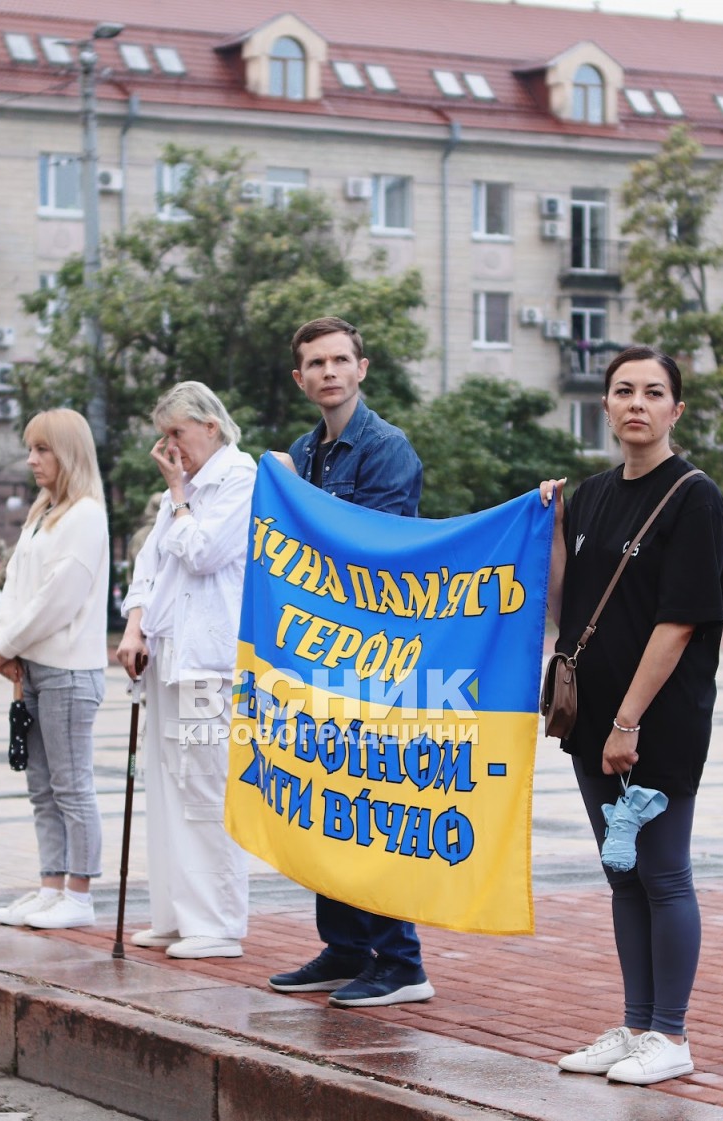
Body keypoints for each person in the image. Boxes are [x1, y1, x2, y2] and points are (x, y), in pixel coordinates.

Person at [537, 345, 723, 1085]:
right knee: (621, 872)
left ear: (676, 409)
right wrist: (551, 528)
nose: (637, 403)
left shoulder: (693, 497)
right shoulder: (590, 495)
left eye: (654, 392)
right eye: (624, 390)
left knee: (663, 872)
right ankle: (636, 1023)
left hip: (656, 719)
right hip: (592, 717)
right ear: (606, 404)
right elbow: (568, 603)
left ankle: (671, 1034)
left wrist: (629, 723)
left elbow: (679, 622)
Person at [267, 316, 433, 1008]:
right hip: (320, 653)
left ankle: (401, 961)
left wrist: (292, 502)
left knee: (374, 804)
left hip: (375, 652)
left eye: (341, 359)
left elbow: (372, 545)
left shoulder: (387, 447)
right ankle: (344, 944)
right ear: (300, 378)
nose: (329, 371)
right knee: (325, 800)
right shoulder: (306, 452)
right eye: (316, 362)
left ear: (362, 368)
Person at [114, 382, 257, 959]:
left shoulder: (239, 480)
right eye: (164, 435)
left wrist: (177, 495)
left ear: (210, 427)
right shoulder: (190, 489)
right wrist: (134, 625)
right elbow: (147, 567)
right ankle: (175, 912)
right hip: (168, 658)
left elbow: (205, 553)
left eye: (177, 433)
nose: (169, 447)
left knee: (204, 789)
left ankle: (217, 923)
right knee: (167, 785)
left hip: (210, 663)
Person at [0, 409, 109, 930]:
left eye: (43, 449)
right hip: (34, 666)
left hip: (68, 670)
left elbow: (57, 599)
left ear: (69, 452)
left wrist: (5, 642)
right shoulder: (44, 512)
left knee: (72, 784)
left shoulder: (84, 514)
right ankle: (50, 886)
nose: (32, 459)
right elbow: (16, 585)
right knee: (42, 785)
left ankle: (78, 897)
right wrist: (5, 644)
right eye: (30, 448)